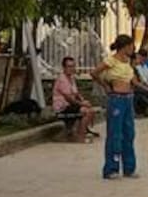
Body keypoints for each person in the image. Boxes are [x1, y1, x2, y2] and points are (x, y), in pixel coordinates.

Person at [94, 34, 138, 179]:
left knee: (129, 133)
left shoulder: (128, 62)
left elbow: (133, 80)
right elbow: (95, 73)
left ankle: (129, 167)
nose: (132, 49)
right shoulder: (111, 61)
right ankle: (111, 168)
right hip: (117, 98)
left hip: (128, 98)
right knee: (115, 134)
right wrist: (105, 86)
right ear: (124, 47)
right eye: (131, 46)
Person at [51, 56, 95, 142]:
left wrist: (83, 100)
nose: (71, 69)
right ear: (64, 67)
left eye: (73, 66)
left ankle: (82, 132)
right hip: (63, 107)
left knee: (90, 109)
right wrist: (82, 104)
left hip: (70, 105)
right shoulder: (62, 79)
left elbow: (76, 93)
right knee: (85, 111)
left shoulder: (71, 78)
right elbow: (69, 98)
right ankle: (80, 137)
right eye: (69, 66)